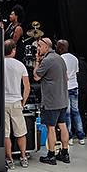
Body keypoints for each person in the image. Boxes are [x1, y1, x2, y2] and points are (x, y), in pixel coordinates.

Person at [33, 37, 70, 165]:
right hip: (63, 99)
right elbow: (66, 77)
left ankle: (51, 155)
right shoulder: (60, 59)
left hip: (51, 101)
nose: (37, 48)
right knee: (63, 125)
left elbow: (36, 76)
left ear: (46, 47)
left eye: (39, 46)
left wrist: (37, 61)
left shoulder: (47, 60)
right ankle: (65, 153)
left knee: (51, 128)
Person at [4, 39, 30, 169]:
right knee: (21, 132)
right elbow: (27, 87)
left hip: (2, 103)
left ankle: (9, 160)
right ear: (14, 50)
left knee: (5, 134)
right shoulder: (20, 65)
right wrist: (23, 102)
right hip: (16, 102)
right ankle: (23, 157)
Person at [56, 40, 85, 145]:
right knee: (76, 112)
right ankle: (81, 136)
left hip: (65, 88)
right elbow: (76, 72)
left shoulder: (61, 59)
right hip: (75, 86)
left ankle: (69, 137)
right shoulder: (74, 58)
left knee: (67, 114)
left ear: (60, 48)